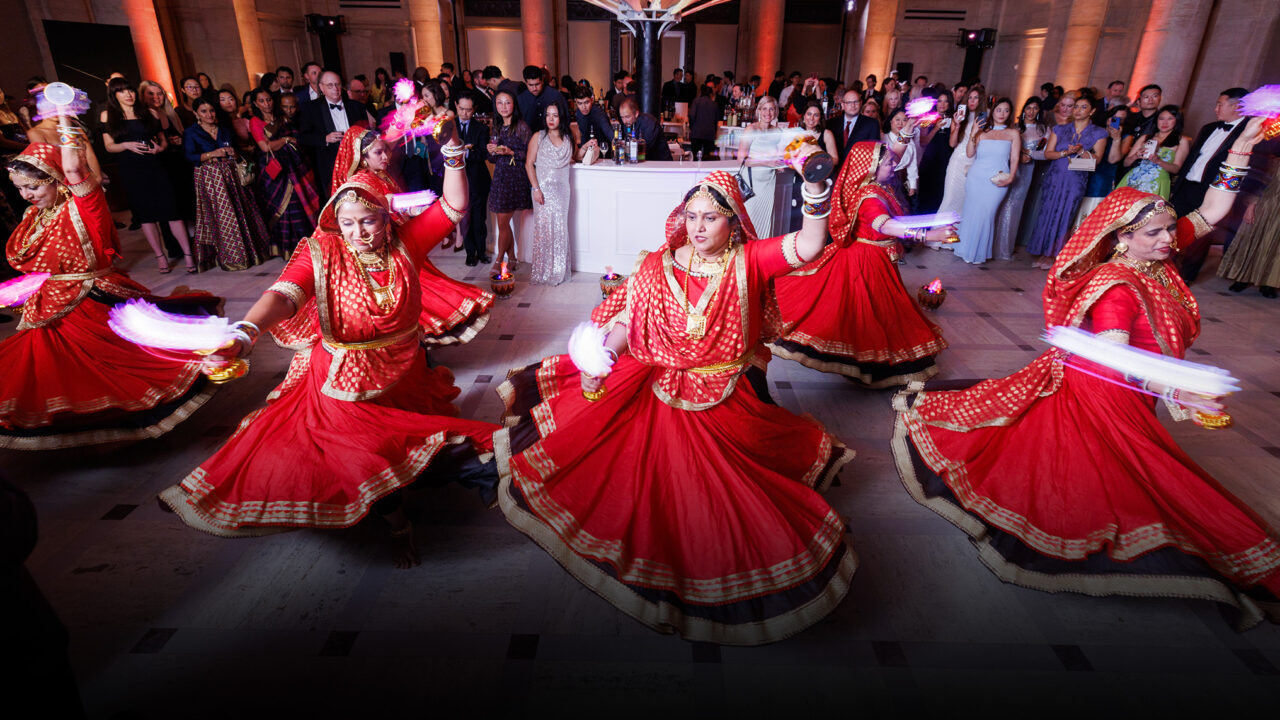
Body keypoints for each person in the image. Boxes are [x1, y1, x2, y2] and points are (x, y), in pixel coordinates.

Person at [891, 123, 1280, 626]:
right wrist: (1176, 388)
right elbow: (1113, 358)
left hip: (1133, 390)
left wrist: (1242, 149)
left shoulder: (1153, 252)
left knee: (1114, 467)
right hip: (1104, 393)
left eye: (1169, 229)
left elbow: (1211, 211)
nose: (1169, 239)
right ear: (1122, 238)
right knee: (1144, 478)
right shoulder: (1116, 284)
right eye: (1156, 233)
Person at [494, 168, 856, 645]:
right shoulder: (657, 265)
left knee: (736, 484)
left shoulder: (747, 261)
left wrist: (815, 191)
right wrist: (605, 358)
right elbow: (627, 321)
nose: (698, 227)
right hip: (662, 383)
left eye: (711, 218)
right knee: (653, 475)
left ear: (733, 222)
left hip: (724, 390)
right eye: (692, 216)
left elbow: (809, 246)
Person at [159, 144, 500, 568]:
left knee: (409, 444)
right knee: (363, 455)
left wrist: (452, 156)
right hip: (341, 380)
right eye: (347, 223)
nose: (358, 233)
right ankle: (399, 526)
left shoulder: (404, 245)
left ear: (386, 218)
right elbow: (284, 295)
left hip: (403, 368)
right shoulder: (322, 253)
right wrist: (245, 333)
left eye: (368, 220)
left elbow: (453, 206)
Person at [1, 141, 220, 449]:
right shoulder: (35, 214)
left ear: (55, 179)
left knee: (119, 364)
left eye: (33, 187)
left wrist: (65, 125)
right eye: (20, 188)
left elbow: (75, 171)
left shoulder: (83, 206)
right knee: (48, 366)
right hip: (50, 300)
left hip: (90, 296)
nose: (26, 195)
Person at [770, 141, 950, 386]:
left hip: (875, 257)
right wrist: (928, 235)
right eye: (888, 163)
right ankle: (868, 363)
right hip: (867, 261)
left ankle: (866, 361)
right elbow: (885, 226)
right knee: (871, 311)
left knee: (871, 310)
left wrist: (906, 134)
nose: (893, 165)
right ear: (871, 168)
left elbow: (892, 157)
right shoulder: (870, 197)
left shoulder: (877, 185)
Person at [331, 125, 494, 344]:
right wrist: (412, 204)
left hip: (399, 243)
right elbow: (382, 201)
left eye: (386, 150)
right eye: (378, 152)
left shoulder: (379, 174)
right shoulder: (362, 181)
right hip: (383, 254)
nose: (386, 156)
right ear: (363, 158)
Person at [99, 77, 197, 274]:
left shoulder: (148, 112)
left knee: (172, 211)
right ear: (114, 95)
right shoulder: (107, 115)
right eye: (122, 91)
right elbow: (109, 146)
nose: (128, 94)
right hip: (130, 168)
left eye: (130, 90)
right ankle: (160, 256)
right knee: (146, 216)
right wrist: (126, 145)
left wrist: (160, 148)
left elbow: (163, 140)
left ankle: (188, 254)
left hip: (154, 165)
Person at [1171, 88, 1250, 283]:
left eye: (1220, 104)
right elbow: (1192, 159)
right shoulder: (1208, 128)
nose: (1216, 109)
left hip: (1212, 192)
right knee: (1171, 227)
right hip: (1187, 186)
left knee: (1201, 236)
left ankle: (1185, 277)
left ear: (1237, 106)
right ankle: (1165, 269)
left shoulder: (1247, 132)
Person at [183, 97, 270, 271]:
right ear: (196, 113)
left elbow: (236, 151)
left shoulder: (224, 129)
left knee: (240, 211)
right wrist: (212, 154)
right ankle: (231, 257)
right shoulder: (191, 132)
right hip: (210, 177)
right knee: (223, 216)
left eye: (211, 110)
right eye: (204, 111)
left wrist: (233, 153)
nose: (209, 114)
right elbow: (189, 156)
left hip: (230, 175)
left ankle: (250, 253)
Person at [1026, 95, 1108, 269]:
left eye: (1083, 107)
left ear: (1092, 111)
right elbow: (1048, 153)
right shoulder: (1060, 129)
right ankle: (1041, 252)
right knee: (1046, 213)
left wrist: (1081, 151)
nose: (1077, 110)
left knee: (1065, 215)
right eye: (1076, 106)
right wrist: (1065, 153)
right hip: (1055, 176)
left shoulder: (1099, 133)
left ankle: (1053, 255)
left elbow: (1098, 159)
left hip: (1076, 179)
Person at [248, 88, 320, 256]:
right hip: (273, 171)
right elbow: (265, 147)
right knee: (280, 208)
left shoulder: (282, 118)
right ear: (255, 104)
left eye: (268, 99)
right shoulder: (255, 121)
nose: (266, 104)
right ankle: (287, 249)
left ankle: (306, 246)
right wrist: (285, 140)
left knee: (298, 204)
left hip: (293, 167)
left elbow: (298, 139)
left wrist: (283, 142)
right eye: (261, 101)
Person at [954, 98, 1020, 265]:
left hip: (997, 181)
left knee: (986, 215)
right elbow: (969, 154)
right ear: (992, 111)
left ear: (1010, 114)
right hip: (976, 178)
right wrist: (973, 132)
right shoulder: (982, 133)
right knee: (971, 213)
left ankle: (977, 253)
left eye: (1006, 110)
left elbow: (1014, 158)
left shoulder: (1013, 133)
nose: (1002, 114)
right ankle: (964, 250)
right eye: (999, 110)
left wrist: (1011, 177)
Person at [300, 70, 372, 199]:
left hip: (357, 163)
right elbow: (303, 137)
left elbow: (367, 134)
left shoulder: (357, 107)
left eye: (337, 84)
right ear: (321, 87)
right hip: (329, 165)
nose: (335, 88)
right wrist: (325, 139)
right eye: (330, 85)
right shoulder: (311, 108)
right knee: (336, 200)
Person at [1220, 144, 1280, 297]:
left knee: (1275, 247)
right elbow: (1260, 183)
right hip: (1264, 207)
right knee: (1251, 241)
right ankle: (1242, 278)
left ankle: (1268, 284)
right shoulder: (1274, 162)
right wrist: (1251, 205)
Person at [993, 97, 1048, 259]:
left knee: (1014, 206)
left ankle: (1004, 248)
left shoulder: (1043, 130)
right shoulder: (1014, 127)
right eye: (1028, 108)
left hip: (1026, 172)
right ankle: (991, 245)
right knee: (1000, 203)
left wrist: (1029, 154)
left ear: (1039, 111)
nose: (1031, 111)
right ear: (1023, 109)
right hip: (1008, 168)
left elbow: (1045, 153)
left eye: (1035, 108)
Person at [526, 100, 573, 286]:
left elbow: (575, 157)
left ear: (561, 117)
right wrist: (536, 188)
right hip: (542, 190)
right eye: (548, 115)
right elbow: (528, 164)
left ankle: (558, 270)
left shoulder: (569, 136)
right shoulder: (538, 136)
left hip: (562, 191)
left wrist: (588, 147)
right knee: (544, 230)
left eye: (555, 115)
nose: (550, 119)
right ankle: (543, 270)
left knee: (560, 229)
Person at [487, 90, 532, 272]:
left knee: (503, 223)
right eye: (500, 102)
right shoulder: (497, 126)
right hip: (500, 177)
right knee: (503, 223)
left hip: (515, 178)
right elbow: (492, 159)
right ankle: (512, 257)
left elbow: (530, 155)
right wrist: (491, 151)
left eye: (507, 102)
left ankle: (499, 260)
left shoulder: (522, 127)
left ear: (514, 104)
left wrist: (510, 152)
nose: (504, 106)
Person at [1071, 104, 1129, 230]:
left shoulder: (1126, 137)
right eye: (1113, 117)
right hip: (1084, 173)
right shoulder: (1096, 132)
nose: (1115, 121)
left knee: (1092, 211)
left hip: (1103, 178)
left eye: (1120, 119)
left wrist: (1116, 139)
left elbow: (1113, 159)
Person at [737, 95, 786, 237]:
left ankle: (762, 250)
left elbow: (778, 155)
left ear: (776, 111)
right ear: (759, 110)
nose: (768, 113)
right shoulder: (750, 129)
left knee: (766, 223)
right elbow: (741, 159)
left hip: (769, 183)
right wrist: (767, 162)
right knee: (750, 221)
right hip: (752, 183)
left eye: (771, 109)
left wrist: (779, 164)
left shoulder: (778, 132)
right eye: (764, 109)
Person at [1117, 104, 1188, 199]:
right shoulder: (1145, 137)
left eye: (1170, 119)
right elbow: (1126, 163)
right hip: (1134, 179)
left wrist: (1158, 161)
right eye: (1161, 118)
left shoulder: (1181, 141)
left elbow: (1176, 168)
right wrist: (1136, 156)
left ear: (1177, 120)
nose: (1164, 122)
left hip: (1157, 182)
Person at [936, 87, 987, 217]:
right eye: (970, 98)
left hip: (974, 163)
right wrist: (957, 125)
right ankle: (940, 229)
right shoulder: (959, 117)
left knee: (965, 202)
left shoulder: (984, 119)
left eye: (976, 98)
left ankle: (959, 230)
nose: (972, 101)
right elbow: (952, 144)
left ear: (981, 100)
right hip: (957, 161)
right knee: (949, 199)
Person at [455, 92, 492, 266]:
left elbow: (484, 153)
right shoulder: (449, 126)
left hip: (477, 179)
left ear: (474, 109)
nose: (465, 113)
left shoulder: (481, 128)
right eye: (461, 109)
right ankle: (470, 253)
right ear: (456, 106)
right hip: (458, 182)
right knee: (465, 219)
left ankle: (481, 252)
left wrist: (467, 153)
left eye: (469, 110)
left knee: (479, 218)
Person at [915, 90, 954, 214]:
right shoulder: (928, 118)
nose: (942, 104)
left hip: (945, 161)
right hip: (929, 161)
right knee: (925, 196)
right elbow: (923, 142)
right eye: (940, 101)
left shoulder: (954, 120)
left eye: (946, 101)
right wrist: (936, 128)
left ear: (949, 104)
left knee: (939, 195)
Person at [827, 90, 880, 171]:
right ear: (843, 105)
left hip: (858, 171)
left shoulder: (872, 124)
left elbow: (874, 153)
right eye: (849, 102)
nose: (853, 105)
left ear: (861, 103)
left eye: (856, 102)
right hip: (833, 171)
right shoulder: (831, 123)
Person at [618, 96, 672, 162]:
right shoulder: (628, 123)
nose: (624, 121)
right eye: (622, 117)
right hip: (643, 162)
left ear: (636, 114)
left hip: (662, 163)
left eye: (627, 117)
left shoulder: (649, 123)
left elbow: (643, 149)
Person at [570, 86, 612, 161]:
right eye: (580, 103)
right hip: (588, 152)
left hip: (604, 154)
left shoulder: (599, 114)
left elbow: (610, 134)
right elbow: (583, 135)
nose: (583, 107)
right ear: (576, 102)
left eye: (586, 102)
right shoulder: (578, 113)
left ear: (592, 100)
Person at [688, 85, 720, 159]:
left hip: (696, 133)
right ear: (711, 94)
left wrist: (692, 128)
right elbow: (716, 121)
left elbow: (692, 116)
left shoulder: (696, 101)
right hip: (710, 135)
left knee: (695, 157)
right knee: (708, 158)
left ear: (701, 92)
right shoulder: (715, 104)